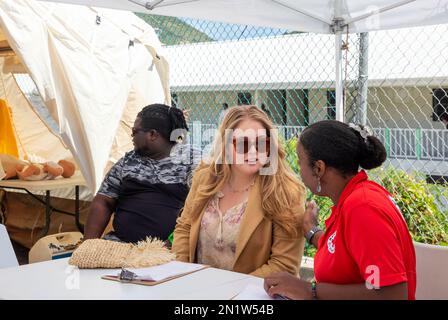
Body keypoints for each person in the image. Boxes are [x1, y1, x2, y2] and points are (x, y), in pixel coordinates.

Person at [264, 120, 417, 300]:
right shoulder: (353, 197)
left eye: (300, 161)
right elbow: (344, 252)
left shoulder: (363, 208)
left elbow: (391, 293)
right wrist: (312, 232)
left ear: (318, 168)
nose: (299, 170)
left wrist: (309, 291)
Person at [172, 105, 306, 277]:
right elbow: (185, 227)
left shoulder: (286, 191)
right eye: (242, 144)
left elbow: (284, 264)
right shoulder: (205, 177)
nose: (253, 151)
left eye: (261, 143)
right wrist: (182, 274)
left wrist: (230, 290)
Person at [84, 104, 200, 243]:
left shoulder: (192, 161)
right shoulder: (127, 161)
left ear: (152, 134)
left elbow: (202, 208)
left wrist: (175, 242)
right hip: (120, 245)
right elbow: (103, 201)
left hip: (170, 249)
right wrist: (88, 244)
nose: (131, 136)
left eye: (135, 131)